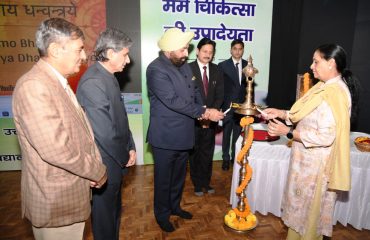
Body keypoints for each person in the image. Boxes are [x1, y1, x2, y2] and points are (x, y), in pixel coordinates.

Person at [12, 18, 107, 240]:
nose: (84, 57)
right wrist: (97, 170)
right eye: (79, 49)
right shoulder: (34, 86)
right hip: (56, 203)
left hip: (70, 195)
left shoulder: (55, 82)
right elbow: (57, 150)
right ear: (55, 50)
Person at [264, 44, 359, 239]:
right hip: (305, 165)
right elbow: (303, 114)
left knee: (309, 222)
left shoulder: (336, 94)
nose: (311, 66)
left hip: (316, 170)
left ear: (331, 63)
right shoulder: (323, 87)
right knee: (299, 217)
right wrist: (281, 113)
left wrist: (288, 133)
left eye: (316, 61)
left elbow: (326, 136)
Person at [146, 28, 224, 232]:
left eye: (186, 49)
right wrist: (205, 113)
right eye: (182, 50)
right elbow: (173, 101)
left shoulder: (182, 65)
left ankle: (174, 207)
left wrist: (205, 109)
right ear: (169, 50)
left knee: (179, 177)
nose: (185, 53)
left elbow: (195, 90)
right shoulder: (156, 69)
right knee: (164, 180)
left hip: (184, 134)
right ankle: (162, 215)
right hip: (165, 137)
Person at [76, 28, 136, 240]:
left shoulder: (108, 76)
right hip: (105, 163)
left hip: (116, 159)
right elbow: (104, 133)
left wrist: (131, 146)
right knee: (104, 219)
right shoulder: (94, 81)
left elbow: (120, 119)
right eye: (125, 54)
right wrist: (123, 157)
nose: (128, 61)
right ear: (110, 53)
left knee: (113, 214)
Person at [189, 37, 224, 196]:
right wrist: (202, 113)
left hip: (211, 121)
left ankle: (206, 182)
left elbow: (220, 95)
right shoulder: (187, 69)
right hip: (194, 120)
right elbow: (188, 97)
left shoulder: (217, 70)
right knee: (195, 153)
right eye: (204, 51)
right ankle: (197, 183)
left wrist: (210, 115)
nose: (207, 54)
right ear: (197, 51)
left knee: (207, 153)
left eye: (210, 52)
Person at [218, 39, 248, 170]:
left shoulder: (248, 65)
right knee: (226, 133)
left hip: (241, 107)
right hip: (227, 106)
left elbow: (248, 87)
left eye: (240, 49)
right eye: (235, 49)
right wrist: (219, 105)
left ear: (243, 50)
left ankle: (234, 158)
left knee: (237, 134)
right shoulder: (222, 65)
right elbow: (219, 88)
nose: (237, 51)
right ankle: (225, 158)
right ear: (231, 50)